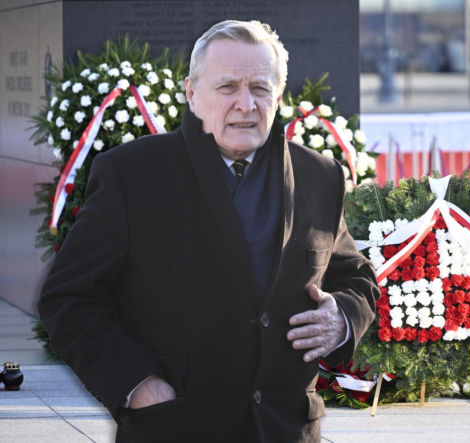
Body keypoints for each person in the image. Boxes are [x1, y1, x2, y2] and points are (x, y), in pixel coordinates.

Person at [38, 20, 379, 443]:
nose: (245, 104)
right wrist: (137, 384)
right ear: (192, 93)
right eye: (227, 87)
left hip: (286, 429)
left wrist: (341, 318)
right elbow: (67, 298)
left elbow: (356, 277)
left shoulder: (320, 175)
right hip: (175, 427)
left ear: (278, 96)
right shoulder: (132, 174)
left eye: (260, 88)